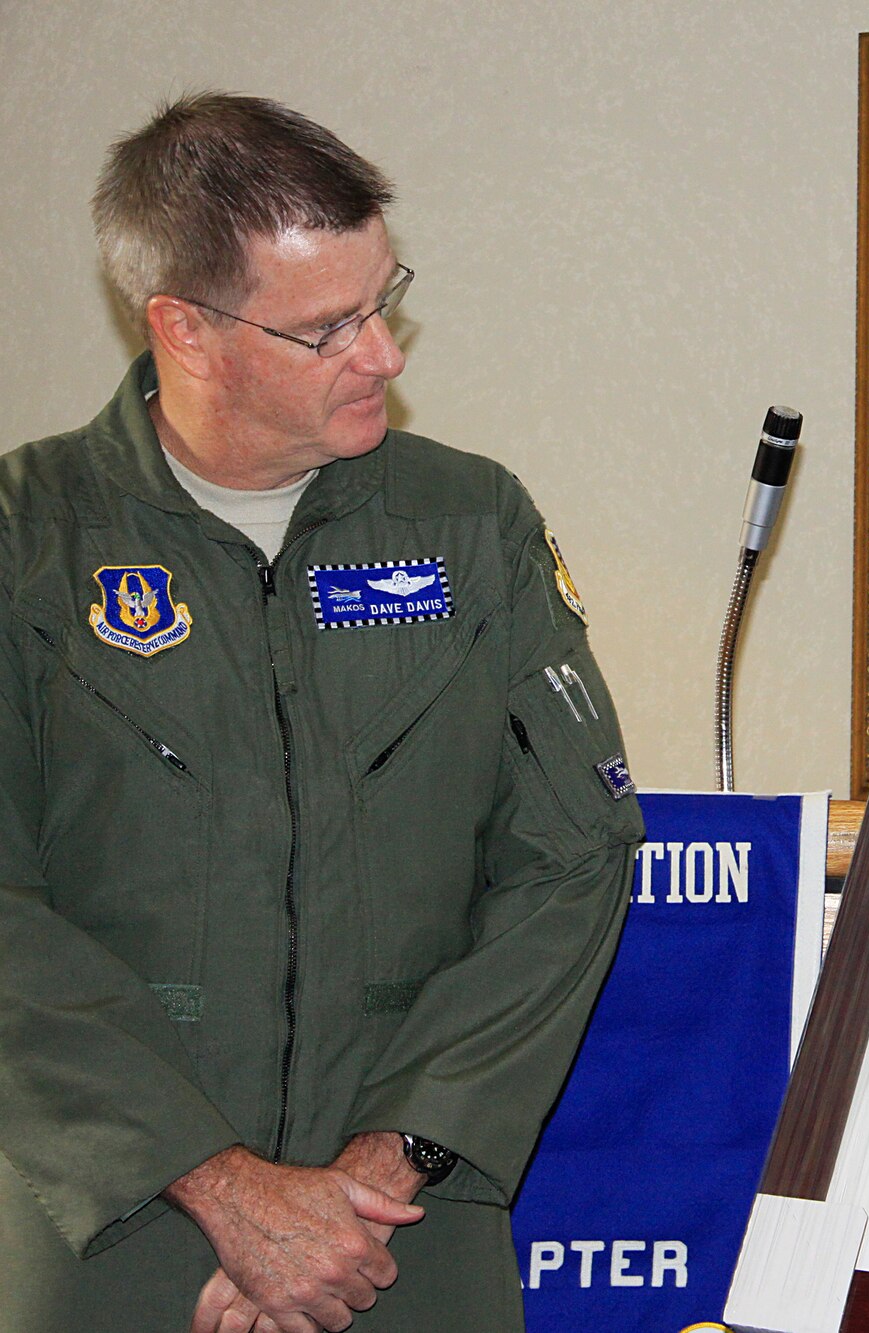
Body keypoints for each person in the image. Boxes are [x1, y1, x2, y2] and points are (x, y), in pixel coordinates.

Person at [0, 94, 647, 1332]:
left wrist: (380, 1167)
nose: (385, 354)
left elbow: (572, 855)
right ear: (183, 330)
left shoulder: (470, 526)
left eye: (382, 298)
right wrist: (222, 1185)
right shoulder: (29, 539)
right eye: (326, 328)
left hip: (402, 1233)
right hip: (110, 1222)